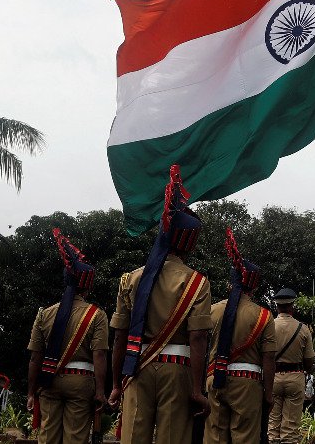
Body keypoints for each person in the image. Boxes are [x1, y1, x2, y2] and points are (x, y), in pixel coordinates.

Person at [108, 165, 213, 443]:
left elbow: (120, 335)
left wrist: (117, 384)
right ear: (189, 243)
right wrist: (197, 389)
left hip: (137, 365)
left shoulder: (131, 279)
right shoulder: (197, 283)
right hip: (178, 369)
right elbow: (198, 338)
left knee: (133, 436)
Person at [26, 229, 109, 444]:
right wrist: (100, 392)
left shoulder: (45, 313)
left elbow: (35, 358)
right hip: (81, 383)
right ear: (88, 285)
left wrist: (31, 391)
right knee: (76, 437)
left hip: (49, 380)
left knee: (48, 437)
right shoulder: (96, 315)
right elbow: (99, 356)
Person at [206, 228, 276, 444]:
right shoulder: (264, 316)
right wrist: (268, 393)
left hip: (214, 379)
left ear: (230, 284)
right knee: (245, 437)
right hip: (248, 383)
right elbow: (269, 358)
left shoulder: (212, 310)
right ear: (254, 286)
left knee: (215, 437)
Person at [268, 287, 314, 443]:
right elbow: (309, 361)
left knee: (273, 424)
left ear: (277, 306)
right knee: (291, 427)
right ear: (292, 306)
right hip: (295, 376)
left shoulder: (269, 326)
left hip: (272, 377)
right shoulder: (303, 329)